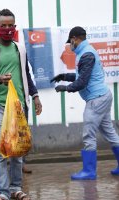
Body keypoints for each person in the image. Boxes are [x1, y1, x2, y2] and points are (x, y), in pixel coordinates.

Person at [0, 9, 42, 200]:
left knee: (17, 149)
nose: (7, 29)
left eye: (10, 26)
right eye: (3, 26)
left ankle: (15, 188)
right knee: (1, 151)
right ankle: (2, 192)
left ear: (15, 27)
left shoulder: (20, 49)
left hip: (19, 106)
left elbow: (26, 75)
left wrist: (35, 95)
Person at [51, 26, 119, 180]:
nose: (70, 45)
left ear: (75, 39)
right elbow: (80, 75)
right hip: (103, 96)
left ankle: (89, 171)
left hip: (96, 99)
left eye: (71, 42)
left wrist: (65, 88)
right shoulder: (86, 51)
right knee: (109, 132)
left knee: (89, 135)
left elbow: (82, 81)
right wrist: (64, 76)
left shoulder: (86, 54)